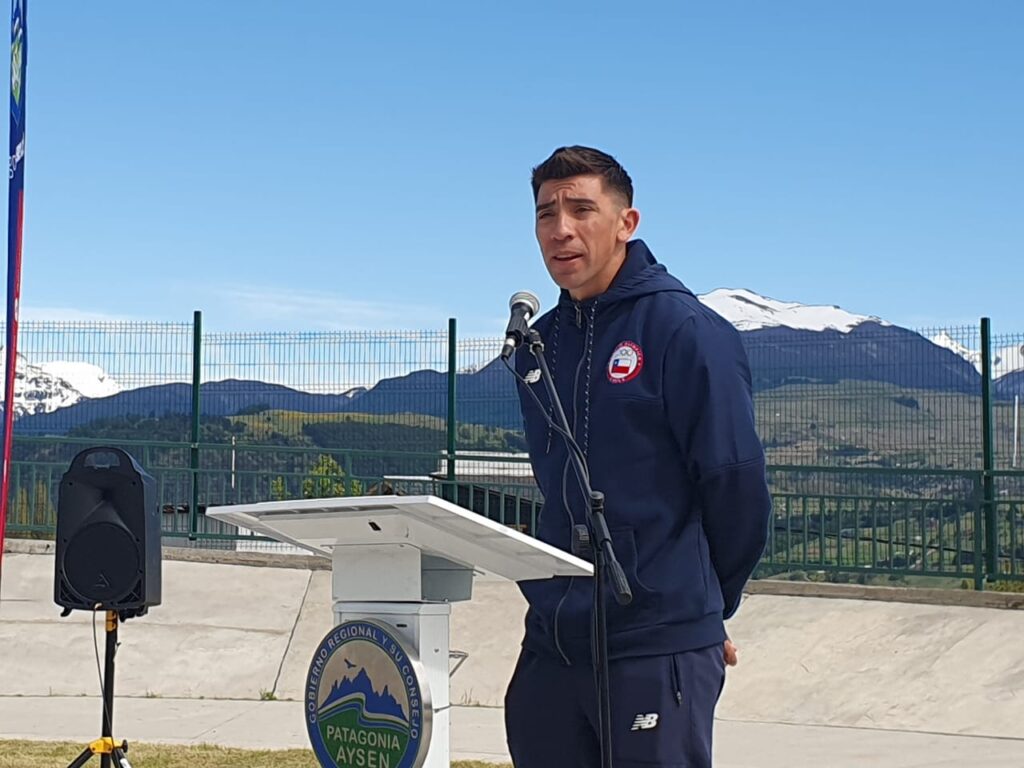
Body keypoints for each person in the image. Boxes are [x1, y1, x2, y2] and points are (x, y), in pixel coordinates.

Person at [505, 145, 772, 768]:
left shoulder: (686, 332)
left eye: (581, 209)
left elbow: (736, 490)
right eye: (546, 213)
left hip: (656, 645)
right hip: (553, 644)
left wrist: (700, 609)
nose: (561, 229)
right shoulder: (536, 347)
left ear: (627, 223)